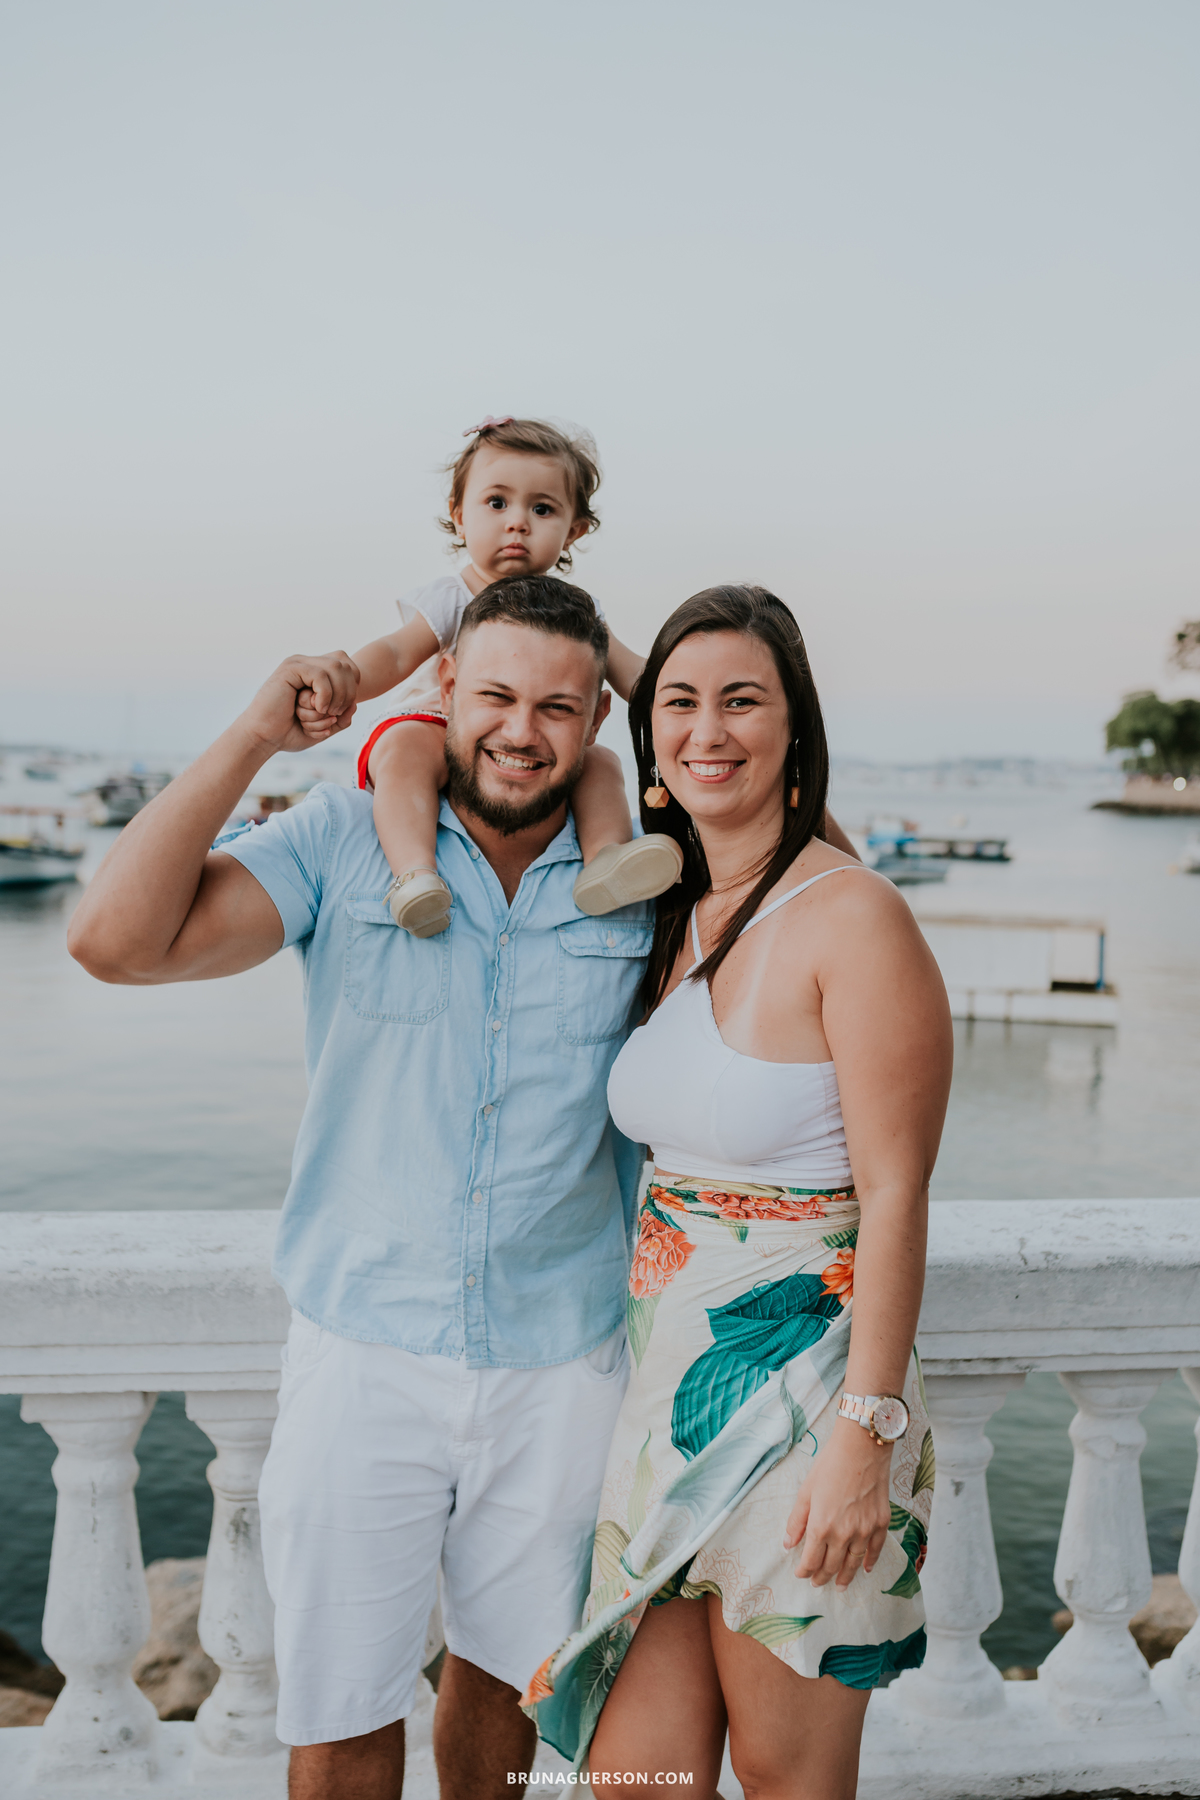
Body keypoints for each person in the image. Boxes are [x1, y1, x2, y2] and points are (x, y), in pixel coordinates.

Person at [67, 575, 654, 1800]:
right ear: (443, 692)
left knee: (506, 1695)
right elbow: (114, 943)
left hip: (565, 1364)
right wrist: (250, 737)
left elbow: (827, 893)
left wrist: (657, 680)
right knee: (337, 1714)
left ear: (600, 714)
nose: (520, 728)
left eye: (560, 704)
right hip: (365, 1357)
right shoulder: (345, 843)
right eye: (493, 693)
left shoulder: (645, 874)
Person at [522, 585, 953, 1800]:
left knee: (786, 1782)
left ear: (796, 729)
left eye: (743, 702)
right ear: (647, 734)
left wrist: (867, 1443)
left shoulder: (853, 917)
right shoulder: (680, 912)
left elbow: (900, 1192)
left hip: (812, 1404)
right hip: (666, 1401)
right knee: (636, 1779)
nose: (708, 731)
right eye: (679, 704)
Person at [294, 415, 683, 935]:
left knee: (602, 763)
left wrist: (684, 702)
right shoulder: (452, 596)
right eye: (497, 503)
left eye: (541, 508)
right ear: (458, 515)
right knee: (407, 748)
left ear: (573, 530)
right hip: (433, 721)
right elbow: (394, 653)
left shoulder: (575, 614)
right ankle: (413, 874)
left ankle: (605, 862)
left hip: (526, 745)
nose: (517, 522)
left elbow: (633, 673)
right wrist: (346, 678)